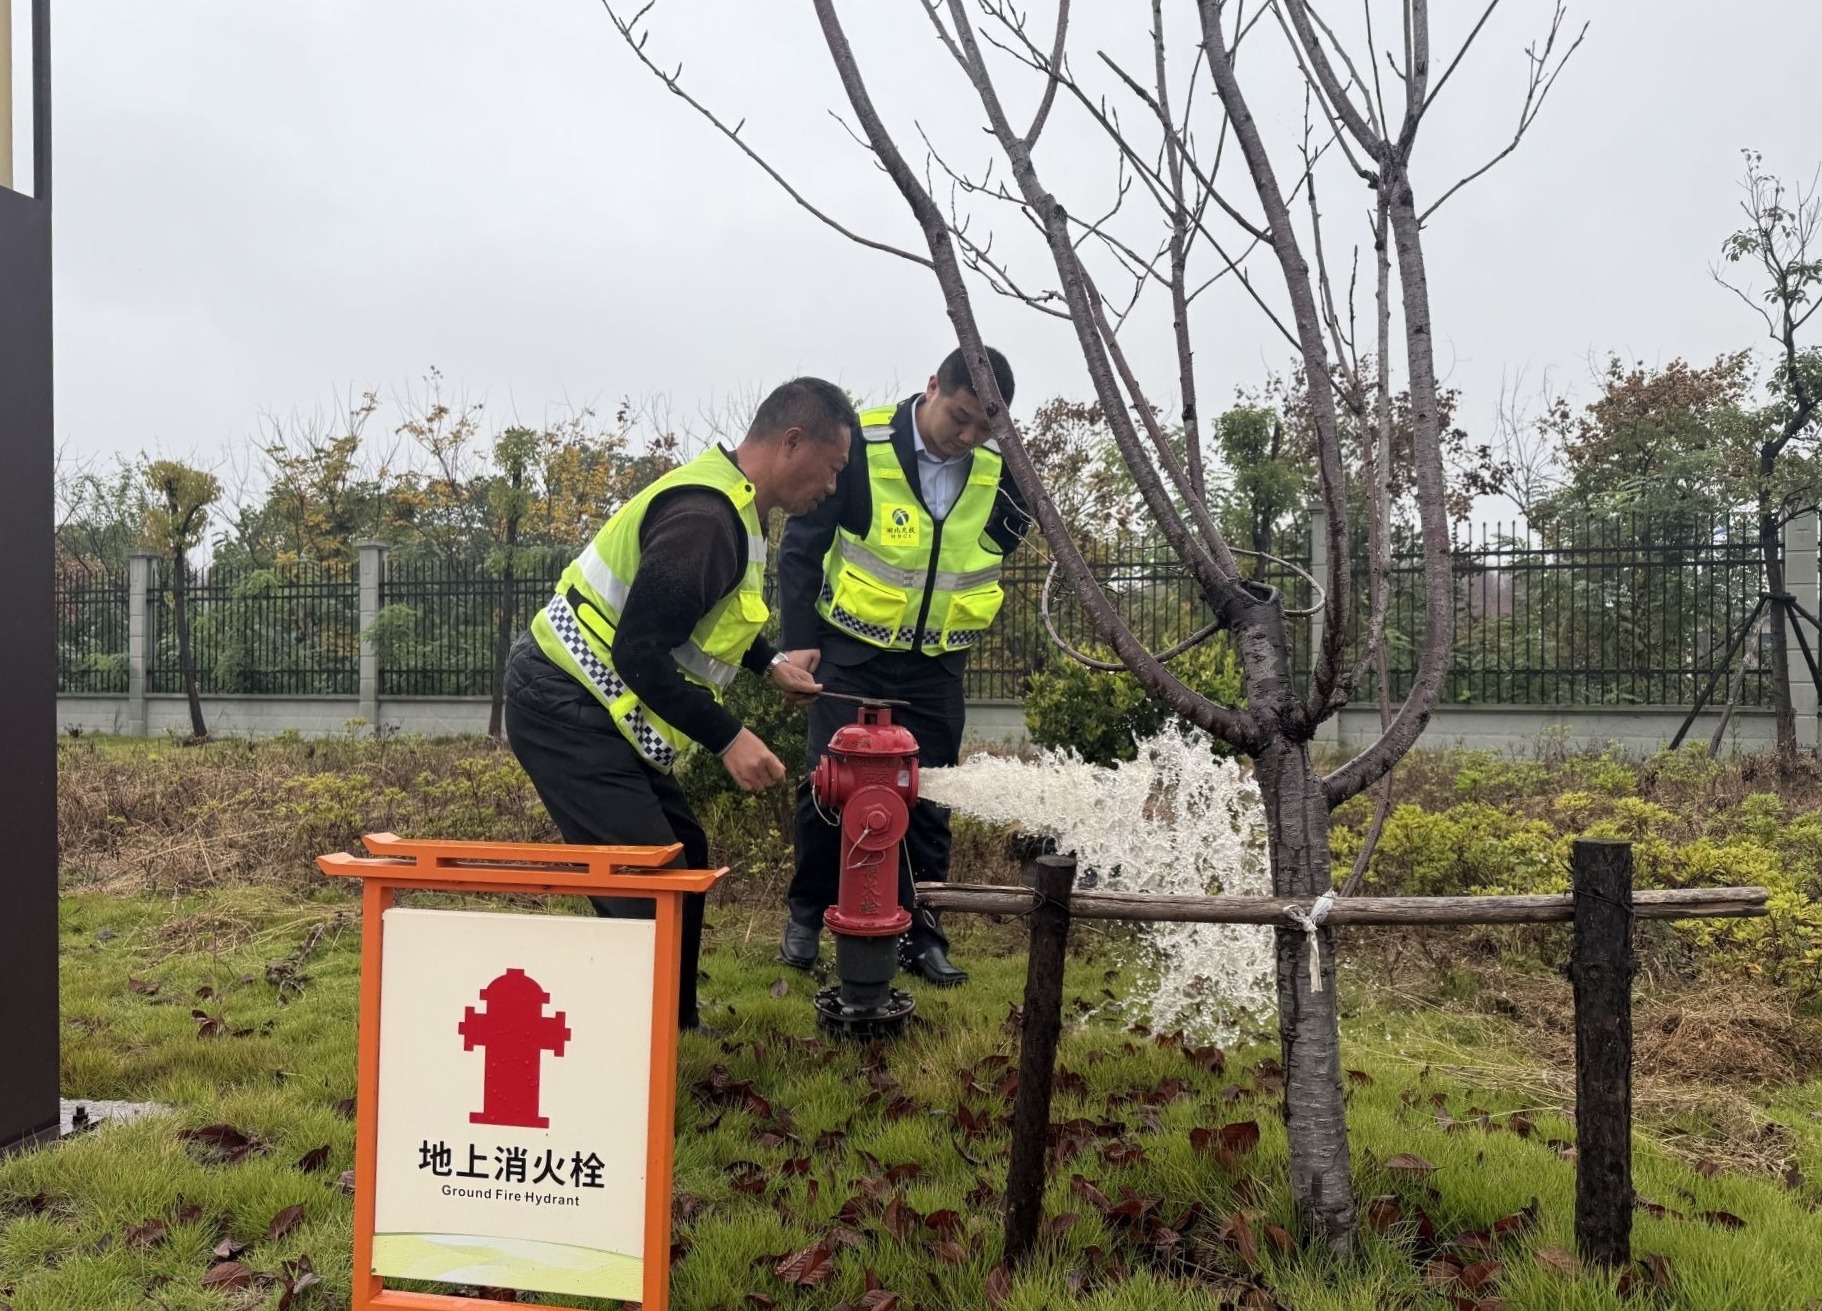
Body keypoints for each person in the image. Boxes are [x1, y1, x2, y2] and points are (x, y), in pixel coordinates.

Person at [503, 377, 859, 1031]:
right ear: (792, 442)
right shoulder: (707, 520)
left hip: (594, 703)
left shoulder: (739, 508)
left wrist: (768, 663)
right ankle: (621, 1042)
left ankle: (674, 1026)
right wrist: (729, 737)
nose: (833, 486)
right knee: (646, 884)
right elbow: (639, 651)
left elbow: (706, 616)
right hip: (561, 700)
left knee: (683, 854)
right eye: (832, 466)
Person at [775, 347, 1028, 987]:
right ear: (933, 385)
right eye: (959, 418)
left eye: (983, 428)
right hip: (848, 655)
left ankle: (922, 934)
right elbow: (802, 547)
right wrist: (799, 641)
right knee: (828, 790)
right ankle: (806, 919)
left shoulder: (1005, 471)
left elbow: (1002, 542)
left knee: (929, 798)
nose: (967, 437)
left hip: (936, 666)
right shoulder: (863, 447)